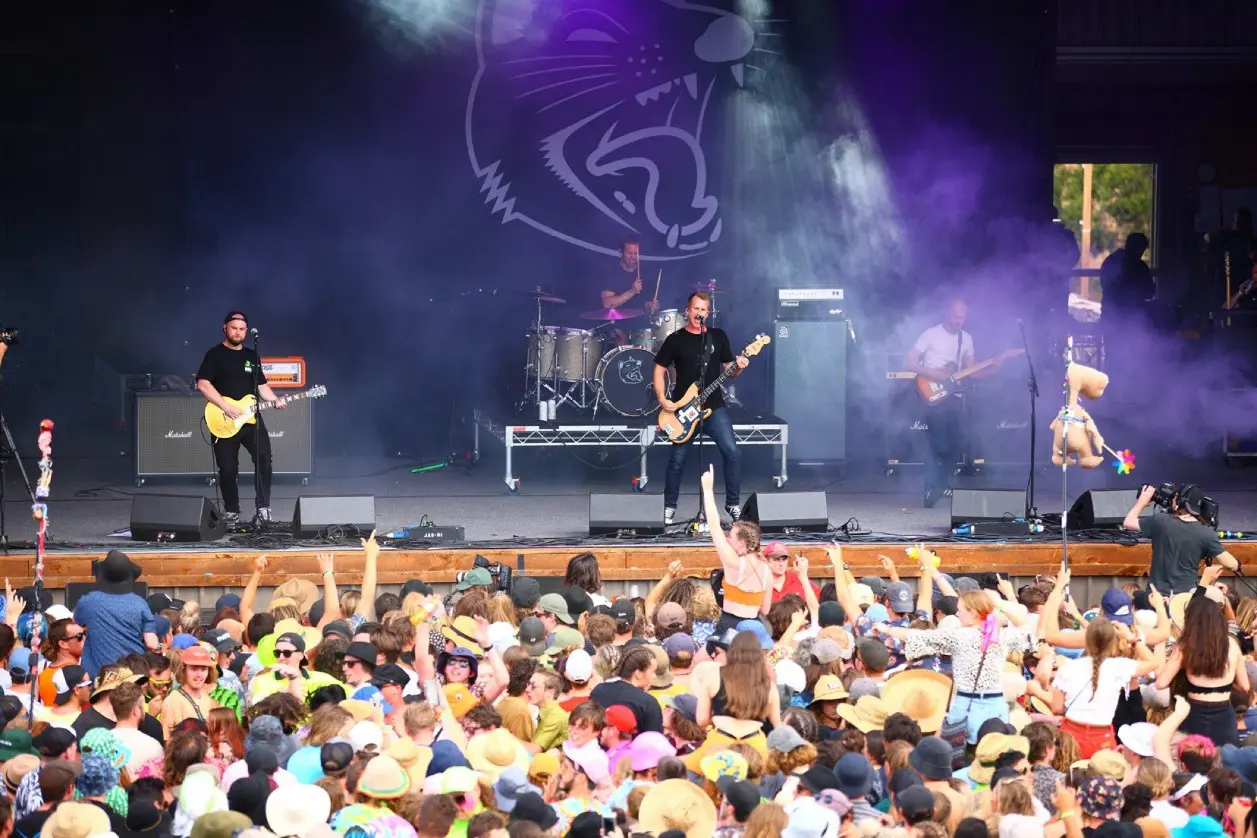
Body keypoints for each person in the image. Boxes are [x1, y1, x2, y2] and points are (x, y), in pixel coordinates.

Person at [653, 292, 749, 525]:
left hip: (713, 406)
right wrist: (662, 399)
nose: (699, 313)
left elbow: (730, 371)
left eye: (703, 310)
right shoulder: (675, 339)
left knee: (732, 452)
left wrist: (740, 366)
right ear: (687, 311)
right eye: (695, 309)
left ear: (709, 313)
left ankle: (733, 504)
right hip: (683, 410)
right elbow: (659, 369)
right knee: (677, 460)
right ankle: (669, 508)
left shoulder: (718, 336)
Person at [195, 310, 287, 527]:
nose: (238, 332)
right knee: (227, 468)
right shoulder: (214, 355)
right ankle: (232, 511)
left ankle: (263, 508)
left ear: (247, 331)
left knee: (264, 458)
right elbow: (203, 384)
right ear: (225, 328)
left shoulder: (252, 356)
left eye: (242, 329)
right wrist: (225, 406)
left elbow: (261, 386)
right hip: (224, 419)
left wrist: (275, 400)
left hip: (251, 419)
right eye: (234, 328)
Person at [905, 300, 993, 508]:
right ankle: (930, 489)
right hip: (932, 394)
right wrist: (932, 372)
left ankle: (939, 485)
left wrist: (994, 367)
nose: (958, 321)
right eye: (955, 316)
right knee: (937, 444)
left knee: (960, 442)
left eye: (962, 317)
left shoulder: (966, 339)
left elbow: (971, 370)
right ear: (947, 313)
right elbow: (909, 361)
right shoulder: (931, 334)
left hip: (953, 397)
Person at [1122, 484, 1237, 595]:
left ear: (1180, 502)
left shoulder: (1160, 521)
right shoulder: (1207, 533)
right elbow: (1232, 565)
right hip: (1184, 600)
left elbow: (1128, 522)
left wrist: (1142, 501)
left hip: (1155, 597)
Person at [602, 237, 659, 314]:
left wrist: (650, 306)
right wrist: (632, 291)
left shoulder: (645, 272)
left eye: (635, 253)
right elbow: (607, 304)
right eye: (629, 253)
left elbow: (643, 303)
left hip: (641, 323)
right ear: (621, 252)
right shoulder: (612, 274)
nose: (633, 257)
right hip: (619, 324)